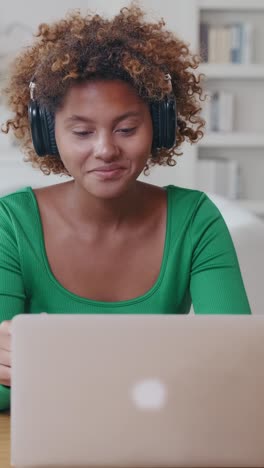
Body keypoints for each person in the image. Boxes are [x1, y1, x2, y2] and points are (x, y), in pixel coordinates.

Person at [0, 5, 251, 410]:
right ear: (48, 135)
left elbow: (238, 373)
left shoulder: (195, 221)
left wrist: (48, 369)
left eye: (126, 129)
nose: (105, 150)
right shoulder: (10, 224)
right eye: (82, 131)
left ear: (160, 126)